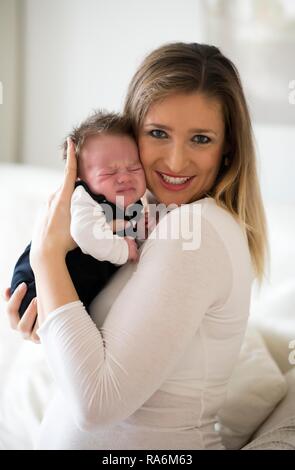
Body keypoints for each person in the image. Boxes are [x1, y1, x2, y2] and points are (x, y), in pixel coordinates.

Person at [3, 42, 268, 450]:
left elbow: (96, 406)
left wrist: (45, 255)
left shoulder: (194, 229)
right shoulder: (146, 222)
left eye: (201, 138)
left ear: (228, 148)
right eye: (158, 133)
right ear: (130, 132)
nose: (176, 162)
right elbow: (96, 364)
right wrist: (48, 320)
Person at [10, 111, 147, 317]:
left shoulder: (132, 202)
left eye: (134, 168)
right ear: (79, 178)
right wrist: (123, 251)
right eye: (109, 172)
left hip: (78, 289)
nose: (124, 177)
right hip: (34, 289)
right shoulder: (83, 198)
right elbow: (86, 234)